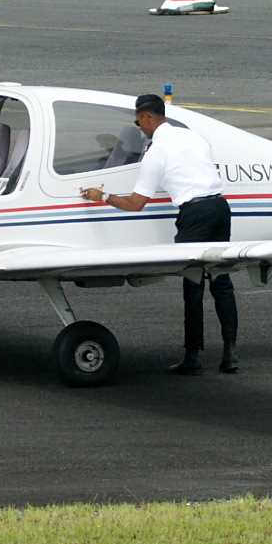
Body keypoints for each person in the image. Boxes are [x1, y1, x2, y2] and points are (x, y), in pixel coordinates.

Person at [80, 93, 239, 375]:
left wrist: (101, 195)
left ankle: (193, 357)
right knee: (220, 281)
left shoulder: (156, 152)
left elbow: (135, 204)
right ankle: (230, 354)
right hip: (219, 207)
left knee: (193, 285)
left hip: (194, 214)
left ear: (147, 118)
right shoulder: (194, 137)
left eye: (139, 122)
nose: (139, 128)